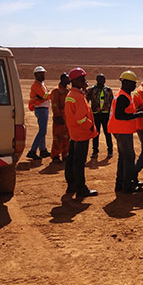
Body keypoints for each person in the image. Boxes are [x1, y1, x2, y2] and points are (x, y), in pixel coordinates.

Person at [108, 71, 143, 194]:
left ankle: (120, 183)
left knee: (123, 157)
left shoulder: (124, 95)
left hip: (120, 129)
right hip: (122, 130)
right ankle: (127, 186)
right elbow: (120, 115)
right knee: (129, 157)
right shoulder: (123, 96)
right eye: (132, 83)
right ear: (125, 82)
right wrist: (136, 115)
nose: (134, 86)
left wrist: (136, 111)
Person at [64, 67, 98, 198]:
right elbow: (80, 118)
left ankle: (71, 185)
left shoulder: (72, 95)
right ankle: (81, 188)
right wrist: (90, 126)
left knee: (72, 160)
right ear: (76, 80)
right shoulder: (77, 97)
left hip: (74, 133)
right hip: (82, 133)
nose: (85, 80)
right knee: (79, 162)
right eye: (83, 78)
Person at [86, 74, 113, 158]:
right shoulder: (91, 90)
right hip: (95, 114)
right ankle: (95, 151)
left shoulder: (108, 90)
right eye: (100, 79)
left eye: (103, 79)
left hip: (106, 114)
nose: (102, 81)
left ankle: (110, 150)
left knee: (107, 133)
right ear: (96, 80)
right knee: (96, 133)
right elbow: (86, 101)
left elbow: (112, 102)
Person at [27, 66, 51, 160]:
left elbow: (46, 94)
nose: (43, 75)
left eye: (43, 73)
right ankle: (32, 151)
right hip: (40, 109)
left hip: (44, 108)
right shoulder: (36, 86)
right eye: (41, 74)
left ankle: (43, 150)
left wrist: (47, 95)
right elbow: (46, 95)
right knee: (42, 131)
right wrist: (48, 95)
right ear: (36, 75)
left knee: (42, 130)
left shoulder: (42, 84)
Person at [49, 73, 70, 163]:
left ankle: (65, 155)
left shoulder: (68, 91)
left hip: (67, 118)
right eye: (67, 78)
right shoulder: (56, 91)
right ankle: (55, 155)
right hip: (60, 118)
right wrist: (57, 116)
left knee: (67, 137)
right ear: (62, 79)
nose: (69, 80)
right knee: (58, 137)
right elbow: (54, 105)